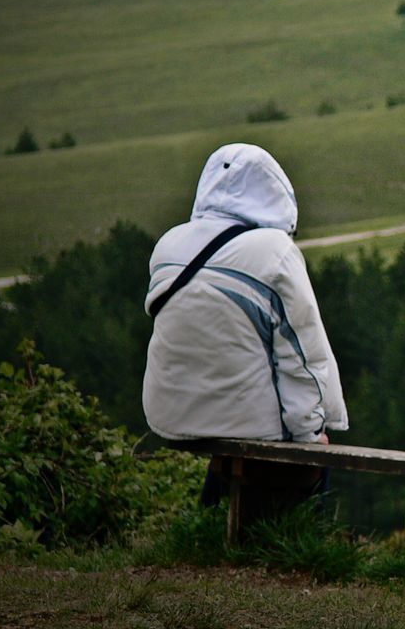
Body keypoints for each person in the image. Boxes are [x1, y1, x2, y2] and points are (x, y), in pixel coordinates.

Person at [142, 143, 348, 512]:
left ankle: (211, 530)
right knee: (311, 454)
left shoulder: (168, 245)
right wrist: (311, 434)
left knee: (232, 443)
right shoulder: (273, 251)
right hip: (248, 424)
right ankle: (302, 555)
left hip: (170, 414)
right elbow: (302, 356)